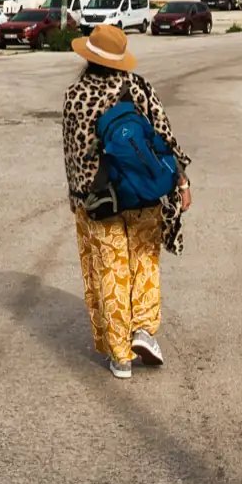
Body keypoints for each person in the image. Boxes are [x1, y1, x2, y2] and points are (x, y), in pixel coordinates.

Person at [61, 24, 192, 379]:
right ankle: (144, 330)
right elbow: (163, 136)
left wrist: (76, 197)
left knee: (110, 270)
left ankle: (120, 356)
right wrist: (181, 180)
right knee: (144, 261)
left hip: (98, 199)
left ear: (88, 56)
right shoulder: (137, 87)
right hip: (142, 192)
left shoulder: (75, 95)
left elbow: (73, 153)